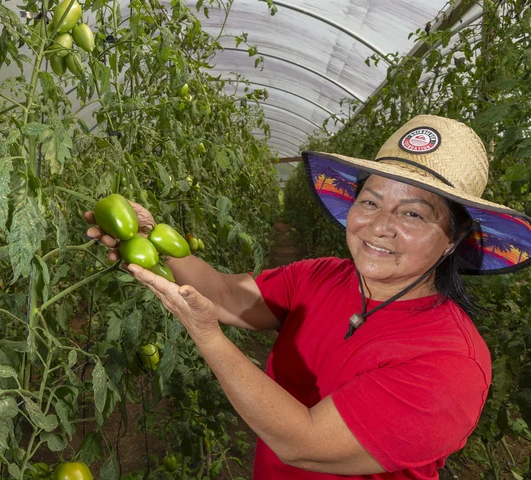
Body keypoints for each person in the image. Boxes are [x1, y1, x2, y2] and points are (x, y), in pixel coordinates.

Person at [85, 115, 531, 479]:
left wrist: (208, 336)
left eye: (412, 213)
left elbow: (305, 443)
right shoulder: (322, 276)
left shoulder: (451, 362)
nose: (380, 226)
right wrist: (148, 239)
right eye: (371, 202)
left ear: (455, 238)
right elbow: (224, 294)